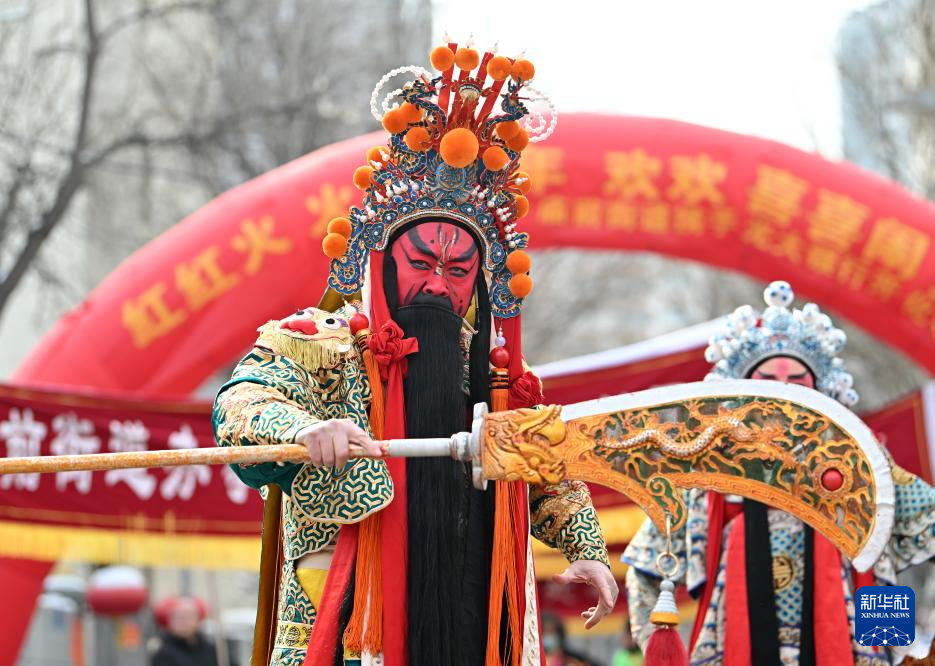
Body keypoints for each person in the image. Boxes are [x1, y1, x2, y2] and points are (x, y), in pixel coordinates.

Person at [214, 39, 617, 665]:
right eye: (421, 263)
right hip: (346, 618)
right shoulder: (319, 341)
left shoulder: (494, 376)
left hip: (465, 610)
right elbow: (242, 403)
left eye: (457, 271)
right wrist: (304, 429)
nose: (436, 283)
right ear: (382, 262)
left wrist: (586, 549)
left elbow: (546, 468)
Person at [623, 280, 935, 665]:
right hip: (731, 641)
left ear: (819, 389)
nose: (785, 392)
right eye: (769, 382)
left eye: (797, 381)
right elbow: (646, 565)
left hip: (849, 640)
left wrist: (901, 648)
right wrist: (658, 645)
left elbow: (924, 524)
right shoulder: (709, 464)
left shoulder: (859, 457)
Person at [151, 597, 218, 666]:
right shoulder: (163, 654)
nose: (183, 621)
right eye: (178, 617)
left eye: (188, 616)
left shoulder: (211, 649)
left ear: (198, 620)